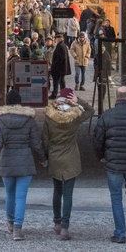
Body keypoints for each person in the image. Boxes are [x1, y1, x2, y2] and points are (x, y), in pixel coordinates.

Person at [0, 89, 47, 241]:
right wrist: (43, 158)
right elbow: (36, 143)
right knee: (21, 197)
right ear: (20, 102)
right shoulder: (29, 120)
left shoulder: (1, 120)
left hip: (7, 161)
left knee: (9, 195)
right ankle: (18, 230)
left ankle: (10, 223)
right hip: (24, 161)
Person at [93, 86, 126, 244]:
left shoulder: (107, 116)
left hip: (113, 163)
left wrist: (101, 156)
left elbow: (97, 140)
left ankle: (120, 232)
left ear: (116, 98)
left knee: (116, 197)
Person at [42, 87, 94, 241]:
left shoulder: (49, 116)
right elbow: (90, 111)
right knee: (68, 193)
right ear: (71, 100)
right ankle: (65, 227)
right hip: (71, 157)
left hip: (55, 156)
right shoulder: (75, 116)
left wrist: (45, 156)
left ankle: (57, 222)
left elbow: (45, 139)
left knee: (57, 191)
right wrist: (79, 102)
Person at [49, 33, 71, 99]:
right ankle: (63, 94)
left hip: (59, 68)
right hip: (61, 68)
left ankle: (55, 94)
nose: (55, 40)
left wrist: (54, 66)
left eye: (56, 39)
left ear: (58, 39)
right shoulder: (62, 45)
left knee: (56, 81)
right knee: (61, 81)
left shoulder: (60, 46)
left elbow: (60, 58)